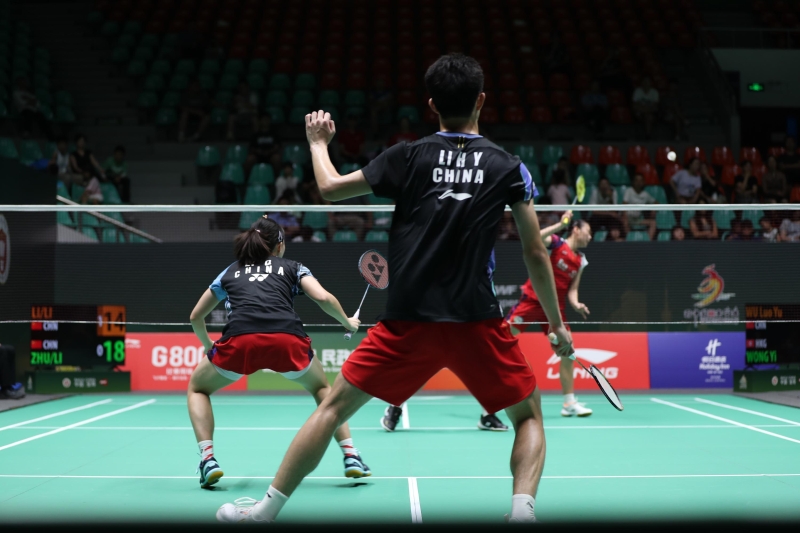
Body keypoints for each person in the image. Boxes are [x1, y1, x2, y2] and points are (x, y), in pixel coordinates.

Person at [215, 53, 572, 524]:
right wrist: (557, 324)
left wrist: (318, 143)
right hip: (476, 321)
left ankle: (263, 513)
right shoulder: (508, 167)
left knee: (331, 410)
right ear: (481, 101)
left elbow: (330, 188)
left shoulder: (408, 155)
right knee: (527, 417)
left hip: (407, 322)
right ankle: (522, 514)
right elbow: (535, 253)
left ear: (432, 105)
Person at [188, 215, 369, 490]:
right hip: (287, 340)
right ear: (280, 245)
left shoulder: (230, 271)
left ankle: (208, 460)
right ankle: (351, 456)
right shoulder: (294, 267)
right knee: (322, 389)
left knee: (198, 388)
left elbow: (195, 316)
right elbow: (322, 297)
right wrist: (348, 322)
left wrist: (207, 345)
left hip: (240, 341)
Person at [505, 213, 593, 418]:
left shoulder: (580, 260)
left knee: (568, 351)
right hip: (532, 300)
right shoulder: (556, 243)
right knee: (503, 338)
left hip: (554, 309)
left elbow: (572, 289)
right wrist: (560, 225)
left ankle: (569, 403)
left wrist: (576, 304)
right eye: (588, 232)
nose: (590, 237)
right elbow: (535, 237)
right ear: (576, 230)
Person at [245, 113, 282, 179]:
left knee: (276, 158)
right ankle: (247, 178)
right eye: (263, 120)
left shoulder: (274, 133)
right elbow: (251, 147)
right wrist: (258, 151)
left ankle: (277, 178)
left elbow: (277, 146)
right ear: (260, 121)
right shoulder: (256, 134)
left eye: (267, 120)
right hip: (258, 155)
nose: (265, 121)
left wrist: (269, 152)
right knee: (250, 159)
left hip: (270, 155)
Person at [622, 172, 657, 240]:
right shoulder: (629, 191)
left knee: (653, 223)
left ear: (643, 182)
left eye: (641, 180)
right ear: (633, 182)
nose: (639, 182)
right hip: (628, 218)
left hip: (638, 219)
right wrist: (625, 216)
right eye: (637, 180)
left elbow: (656, 202)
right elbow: (624, 204)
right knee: (625, 222)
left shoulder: (645, 194)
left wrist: (654, 209)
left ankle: (648, 242)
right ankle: (629, 241)